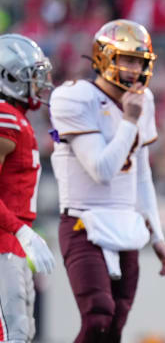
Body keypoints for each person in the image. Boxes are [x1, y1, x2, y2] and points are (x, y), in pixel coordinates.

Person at [49, 19, 165, 343]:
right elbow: (101, 170)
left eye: (139, 61)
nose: (134, 69)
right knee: (98, 316)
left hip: (125, 224)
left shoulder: (141, 100)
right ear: (104, 57)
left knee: (115, 325)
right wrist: (129, 121)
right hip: (83, 221)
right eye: (127, 59)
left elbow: (142, 175)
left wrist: (157, 236)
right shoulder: (74, 97)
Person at [0, 33, 55, 343]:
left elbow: (52, 144)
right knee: (13, 333)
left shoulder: (18, 120)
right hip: (4, 243)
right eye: (31, 76)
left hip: (14, 244)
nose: (40, 83)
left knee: (22, 333)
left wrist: (64, 135)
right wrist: (20, 231)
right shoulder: (5, 117)